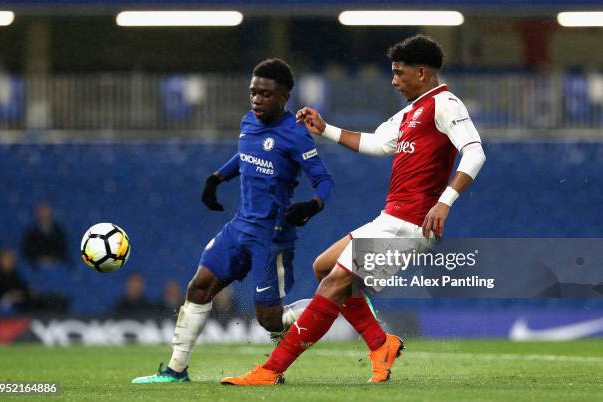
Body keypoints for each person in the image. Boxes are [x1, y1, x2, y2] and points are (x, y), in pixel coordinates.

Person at [222, 35, 486, 385]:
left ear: (421, 72)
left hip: (410, 223)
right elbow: (378, 143)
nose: (393, 80)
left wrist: (444, 202)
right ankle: (381, 343)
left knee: (334, 284)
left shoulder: (445, 103)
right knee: (324, 267)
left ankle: (272, 369)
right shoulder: (410, 112)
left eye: (398, 72)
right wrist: (325, 129)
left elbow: (475, 153)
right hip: (391, 218)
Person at [132, 58, 334, 383]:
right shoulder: (248, 122)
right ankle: (175, 370)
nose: (256, 99)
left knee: (269, 320)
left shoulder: (296, 135)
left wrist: (313, 204)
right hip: (240, 227)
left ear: (284, 96)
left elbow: (324, 180)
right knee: (198, 287)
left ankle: (332, 301)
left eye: (265, 94)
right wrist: (217, 177)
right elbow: (246, 154)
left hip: (272, 237)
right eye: (253, 92)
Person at [21, 202, 69, 267]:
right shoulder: (31, 233)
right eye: (42, 212)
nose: (44, 214)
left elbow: (63, 249)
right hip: (37, 265)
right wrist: (40, 260)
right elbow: (28, 251)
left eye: (46, 211)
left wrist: (53, 259)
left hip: (56, 265)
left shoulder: (59, 232)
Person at [0, 250, 30, 314]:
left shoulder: (16, 275)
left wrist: (21, 295)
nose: (10, 262)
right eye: (7, 260)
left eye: (11, 260)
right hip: (0, 308)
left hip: (18, 306)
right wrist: (8, 297)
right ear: (0, 262)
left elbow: (23, 289)